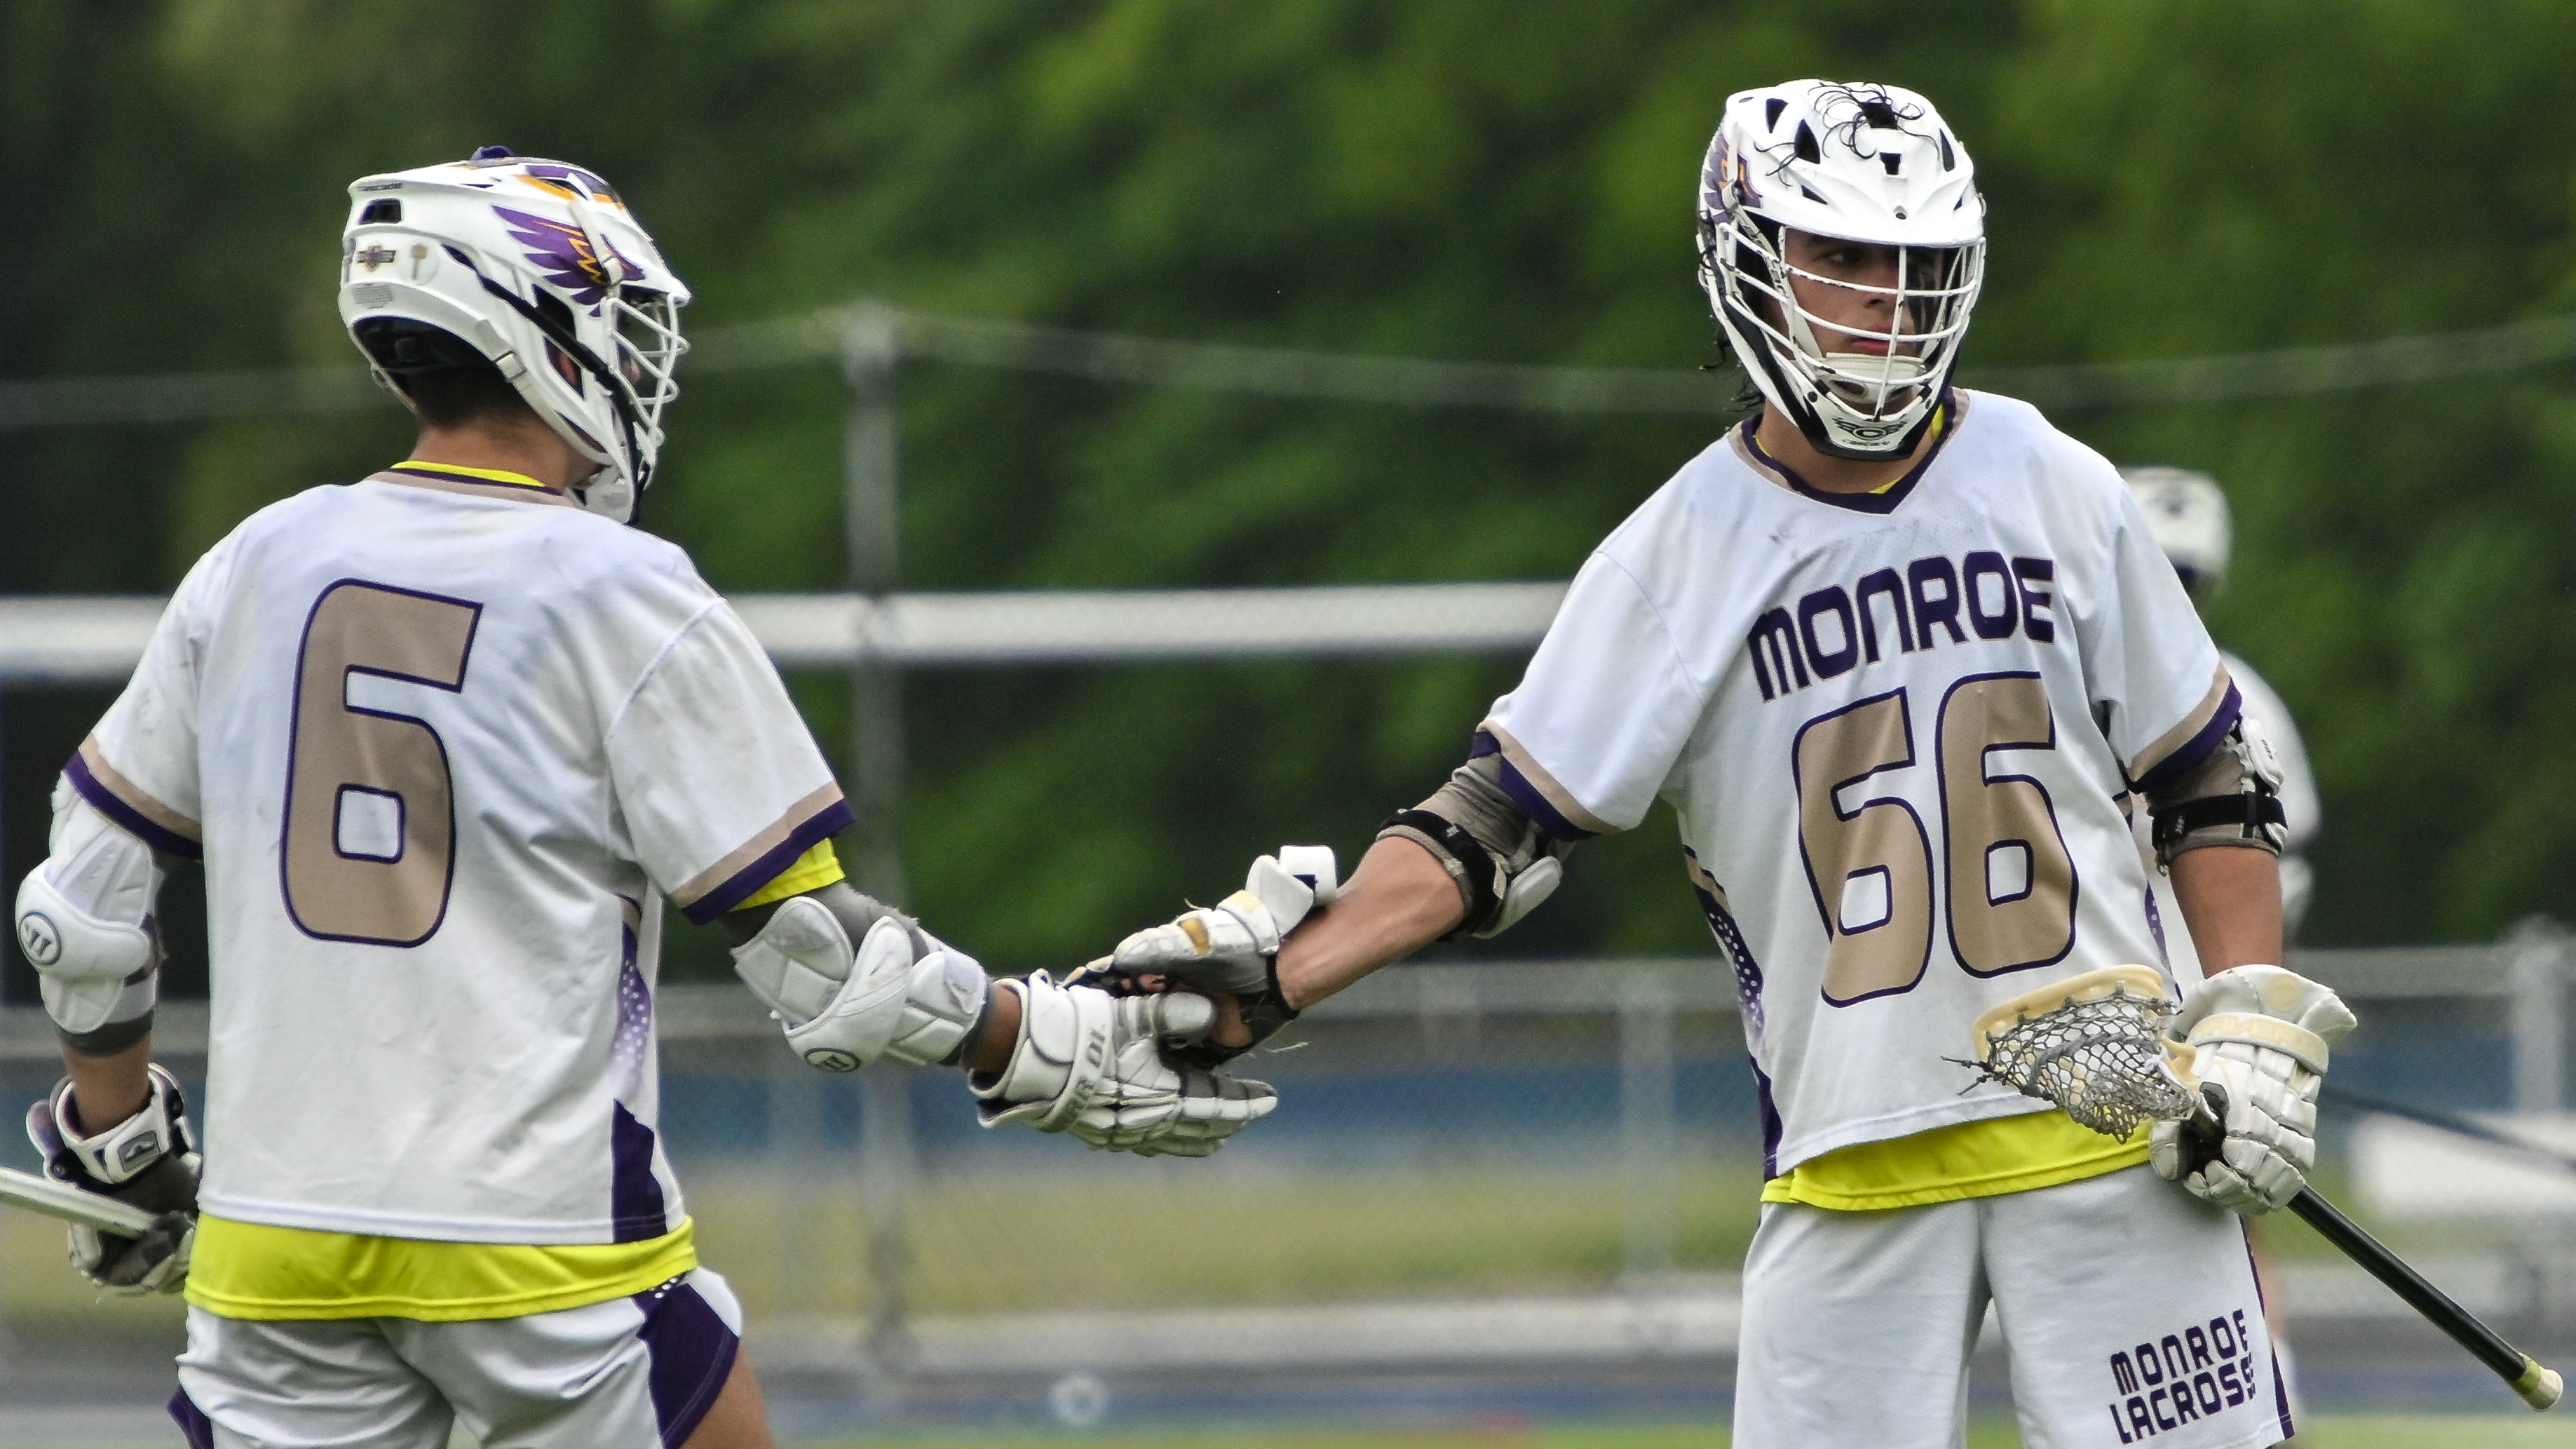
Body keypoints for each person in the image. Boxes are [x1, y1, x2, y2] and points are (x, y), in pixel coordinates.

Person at [1094, 82, 2355, 1448]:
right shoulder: (1676, 554)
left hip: (2112, 1130)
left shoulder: (2055, 482)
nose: (1887, 300)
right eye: (1846, 260)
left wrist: (2243, 1021)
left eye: (1918, 265)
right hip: (1849, 1154)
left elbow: (2206, 778)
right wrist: (1271, 984)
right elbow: (1486, 831)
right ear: (1746, 261)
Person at [8, 148, 1272, 1449]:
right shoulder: (620, 588)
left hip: (277, 1253)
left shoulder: (255, 561)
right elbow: (823, 966)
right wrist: (1041, 1040)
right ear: (540, 321)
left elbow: (79, 910)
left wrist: (124, 1146)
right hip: (539, 1250)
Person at [2120, 466, 2323, 956]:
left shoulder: (2239, 696)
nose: (2171, 596)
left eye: (2184, 580)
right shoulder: (2065, 682)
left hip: (2195, 941)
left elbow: (2288, 855)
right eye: (2160, 575)